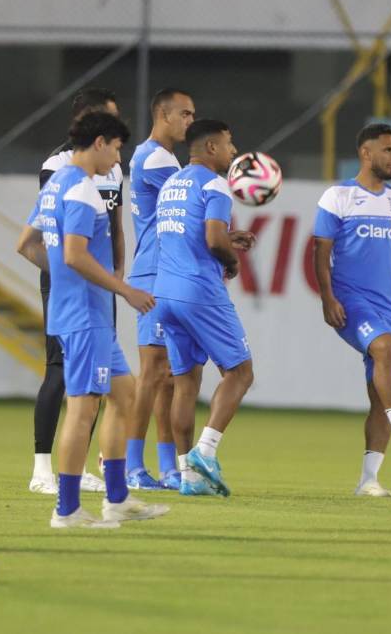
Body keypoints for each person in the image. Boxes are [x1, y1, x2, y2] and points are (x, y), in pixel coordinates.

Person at [16, 111, 170, 528]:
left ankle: (117, 498)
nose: (118, 158)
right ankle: (66, 509)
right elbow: (74, 255)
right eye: (116, 148)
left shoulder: (55, 185)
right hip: (86, 315)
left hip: (81, 312)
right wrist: (125, 290)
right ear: (99, 142)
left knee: (124, 395)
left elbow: (26, 245)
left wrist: (65, 280)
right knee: (83, 409)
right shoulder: (83, 189)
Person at [312, 123, 391, 497]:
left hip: (390, 304)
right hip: (351, 299)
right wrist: (327, 297)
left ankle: (368, 480)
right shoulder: (338, 196)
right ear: (366, 153)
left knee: (381, 397)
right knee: (383, 346)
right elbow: (321, 251)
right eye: (388, 150)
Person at [29, 88, 124, 496]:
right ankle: (43, 470)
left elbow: (116, 225)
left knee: (109, 385)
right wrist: (70, 273)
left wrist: (117, 273)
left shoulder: (112, 169)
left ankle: (85, 473)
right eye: (110, 117)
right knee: (60, 373)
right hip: (71, 282)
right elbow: (52, 236)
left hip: (99, 283)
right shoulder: (60, 168)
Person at [154, 119, 255, 497]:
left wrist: (228, 238)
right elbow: (213, 239)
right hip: (198, 289)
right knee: (240, 372)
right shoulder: (215, 184)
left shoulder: (171, 185)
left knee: (185, 383)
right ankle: (206, 452)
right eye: (229, 144)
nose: (233, 151)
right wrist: (231, 259)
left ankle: (188, 476)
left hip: (164, 292)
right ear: (211, 148)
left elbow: (191, 234)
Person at [124, 87, 195, 490]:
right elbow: (190, 208)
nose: (190, 121)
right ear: (163, 115)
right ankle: (132, 465)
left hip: (163, 272)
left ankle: (168, 467)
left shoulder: (158, 156)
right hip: (153, 273)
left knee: (167, 376)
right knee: (152, 374)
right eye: (184, 114)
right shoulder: (156, 159)